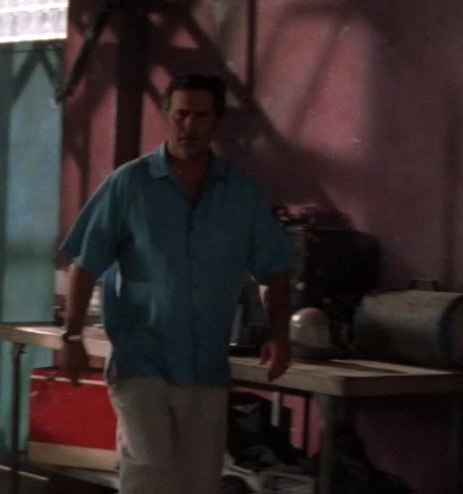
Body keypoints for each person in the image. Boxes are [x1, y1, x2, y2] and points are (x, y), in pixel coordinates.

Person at [58, 73, 293, 494]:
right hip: (141, 360)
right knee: (149, 475)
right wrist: (72, 335)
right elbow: (85, 263)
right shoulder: (130, 185)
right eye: (181, 114)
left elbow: (274, 269)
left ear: (216, 121)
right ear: (167, 115)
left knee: (199, 482)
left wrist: (280, 335)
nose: (190, 126)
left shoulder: (240, 195)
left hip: (206, 366)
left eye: (201, 116)